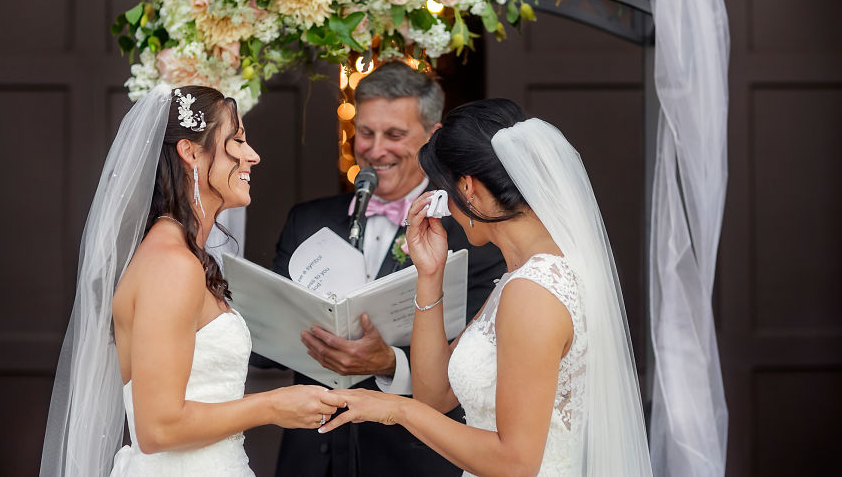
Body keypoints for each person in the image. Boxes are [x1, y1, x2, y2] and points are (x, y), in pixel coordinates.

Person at [320, 99, 653, 477]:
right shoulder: (521, 277)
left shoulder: (534, 291)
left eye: (443, 191)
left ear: (468, 187)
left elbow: (515, 463)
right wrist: (429, 276)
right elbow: (435, 396)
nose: (447, 210)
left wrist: (395, 410)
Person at [41, 85, 345, 476]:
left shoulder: (185, 256)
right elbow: (157, 428)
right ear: (190, 152)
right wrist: (273, 406)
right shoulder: (171, 265)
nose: (253, 156)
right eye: (237, 141)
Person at [253, 61, 507, 476]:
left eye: (394, 135)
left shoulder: (471, 235)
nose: (375, 149)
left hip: (411, 460)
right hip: (309, 460)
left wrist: (390, 362)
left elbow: (478, 357)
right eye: (365, 133)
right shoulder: (307, 220)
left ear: (432, 136)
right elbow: (263, 345)